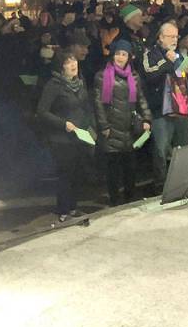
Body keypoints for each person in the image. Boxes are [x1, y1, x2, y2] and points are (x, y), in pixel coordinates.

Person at [36, 50, 96, 220]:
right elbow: (42, 111)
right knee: (65, 173)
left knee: (77, 173)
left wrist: (90, 125)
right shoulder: (54, 85)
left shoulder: (80, 83)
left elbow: (85, 106)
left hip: (79, 135)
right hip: (61, 138)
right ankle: (62, 209)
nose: (73, 65)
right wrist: (63, 124)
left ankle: (72, 208)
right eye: (68, 62)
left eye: (74, 61)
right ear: (61, 67)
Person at [93, 41, 151, 205]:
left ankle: (129, 198)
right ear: (112, 55)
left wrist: (147, 118)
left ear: (129, 57)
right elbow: (98, 103)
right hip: (112, 128)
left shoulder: (134, 76)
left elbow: (141, 99)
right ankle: (114, 200)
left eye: (124, 54)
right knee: (113, 168)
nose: (120, 57)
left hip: (129, 127)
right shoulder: (102, 75)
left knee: (130, 167)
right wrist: (104, 126)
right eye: (118, 53)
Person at [143, 22, 188, 188]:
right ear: (160, 37)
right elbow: (149, 75)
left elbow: (184, 76)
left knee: (182, 148)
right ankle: (161, 186)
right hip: (160, 110)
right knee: (161, 151)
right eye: (171, 36)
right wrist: (166, 61)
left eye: (176, 36)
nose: (175, 40)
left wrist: (187, 67)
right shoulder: (150, 53)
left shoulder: (177, 54)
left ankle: (183, 183)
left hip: (180, 108)